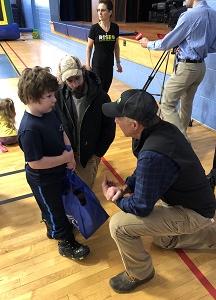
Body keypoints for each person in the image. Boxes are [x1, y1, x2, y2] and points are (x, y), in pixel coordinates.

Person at [101, 89, 216, 293]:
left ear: (134, 124)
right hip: (188, 201)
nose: (116, 121)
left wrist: (115, 199)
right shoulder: (160, 130)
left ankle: (140, 273)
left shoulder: (153, 153)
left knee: (118, 225)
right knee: (162, 239)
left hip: (194, 211)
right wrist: (125, 187)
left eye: (119, 117)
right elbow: (144, 171)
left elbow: (141, 207)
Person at [17, 66, 90, 261]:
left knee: (59, 205)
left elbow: (62, 131)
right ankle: (65, 242)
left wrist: (70, 155)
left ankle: (54, 224)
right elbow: (35, 163)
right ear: (32, 98)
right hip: (43, 180)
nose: (54, 100)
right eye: (49, 96)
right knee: (54, 209)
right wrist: (64, 159)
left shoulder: (48, 112)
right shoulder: (29, 129)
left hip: (59, 172)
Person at [139, 0, 216, 139]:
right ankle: (181, 135)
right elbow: (213, 45)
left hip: (187, 68)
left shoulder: (189, 15)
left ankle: (182, 142)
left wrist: (148, 44)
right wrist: (192, 46)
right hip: (200, 68)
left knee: (167, 104)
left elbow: (167, 42)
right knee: (186, 104)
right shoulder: (213, 14)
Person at [55, 54, 116, 188]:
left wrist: (97, 153)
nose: (75, 84)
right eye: (70, 81)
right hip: (69, 151)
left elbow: (109, 130)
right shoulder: (59, 95)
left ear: (83, 72)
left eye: (77, 78)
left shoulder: (102, 98)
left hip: (88, 154)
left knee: (84, 189)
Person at [86, 0, 122, 93]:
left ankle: (102, 106)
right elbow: (89, 47)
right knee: (98, 89)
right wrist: (87, 63)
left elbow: (116, 46)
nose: (99, 13)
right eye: (98, 10)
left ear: (110, 12)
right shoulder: (94, 28)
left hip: (109, 63)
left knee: (106, 88)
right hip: (98, 64)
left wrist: (118, 62)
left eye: (103, 10)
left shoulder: (115, 27)